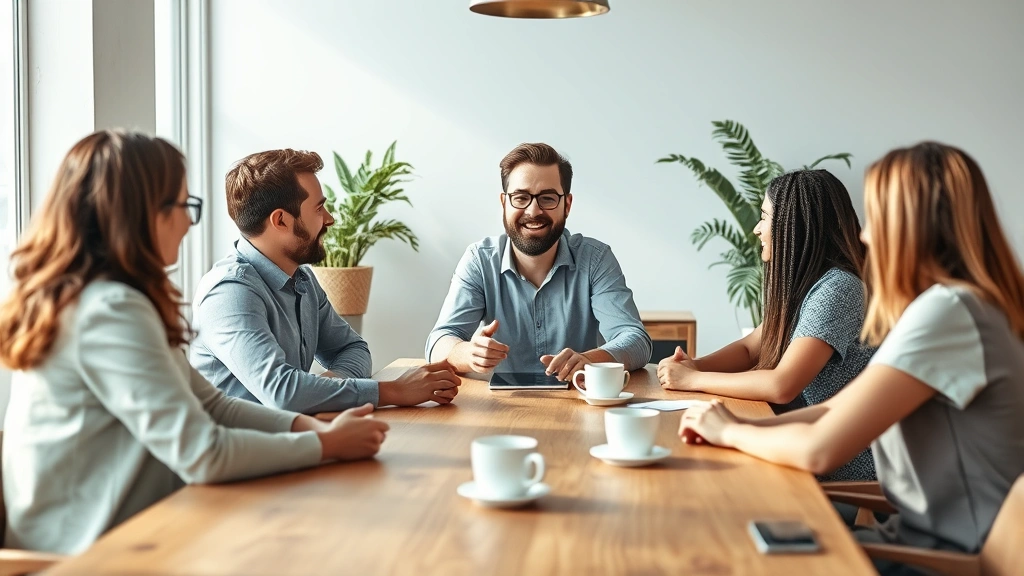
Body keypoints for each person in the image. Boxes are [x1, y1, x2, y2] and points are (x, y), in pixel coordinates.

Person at [0, 131, 391, 554]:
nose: (190, 220)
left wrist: (311, 426)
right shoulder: (108, 310)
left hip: (138, 532)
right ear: (138, 214)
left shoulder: (115, 298)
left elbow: (212, 405)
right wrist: (324, 443)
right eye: (182, 205)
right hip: (86, 554)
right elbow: (203, 452)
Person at [678, 142, 1024, 573]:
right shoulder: (954, 308)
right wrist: (739, 426)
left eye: (875, 218)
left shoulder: (949, 313)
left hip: (935, 560)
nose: (863, 234)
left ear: (909, 225)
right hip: (908, 540)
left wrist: (729, 432)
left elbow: (820, 451)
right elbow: (831, 409)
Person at [189, 149, 459, 414]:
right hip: (239, 454)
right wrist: (392, 391)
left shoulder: (301, 279)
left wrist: (324, 390)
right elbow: (283, 392)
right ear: (281, 220)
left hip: (292, 443)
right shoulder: (229, 293)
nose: (330, 218)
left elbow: (352, 348)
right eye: (319, 208)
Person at [658, 169, 876, 481]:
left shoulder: (838, 289)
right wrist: (692, 365)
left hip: (843, 456)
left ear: (795, 227)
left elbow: (782, 386)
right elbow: (750, 348)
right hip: (812, 437)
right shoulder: (810, 287)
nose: (757, 229)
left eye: (764, 217)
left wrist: (694, 379)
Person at [425, 143, 651, 380]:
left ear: (567, 205)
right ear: (504, 203)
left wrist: (588, 360)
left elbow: (635, 340)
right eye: (521, 197)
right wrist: (467, 353)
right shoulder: (480, 260)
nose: (533, 211)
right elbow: (439, 341)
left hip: (579, 406)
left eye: (547, 198)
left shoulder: (595, 259)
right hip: (500, 411)